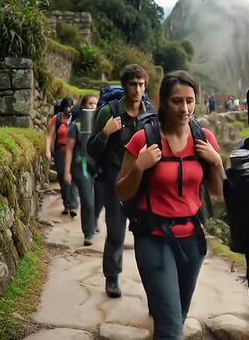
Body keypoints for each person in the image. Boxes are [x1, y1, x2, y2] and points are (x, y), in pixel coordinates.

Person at [116, 70, 225, 340]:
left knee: (178, 315)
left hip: (192, 240)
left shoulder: (204, 138)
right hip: (153, 237)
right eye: (177, 101)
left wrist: (217, 161)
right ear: (163, 101)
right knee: (169, 326)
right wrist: (139, 168)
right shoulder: (144, 139)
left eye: (190, 101)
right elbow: (121, 190)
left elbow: (218, 191)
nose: (185, 108)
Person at [87, 64, 154, 298]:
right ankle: (112, 277)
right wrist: (105, 133)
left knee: (148, 236)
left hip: (142, 182)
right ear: (125, 86)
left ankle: (153, 284)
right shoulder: (109, 112)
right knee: (116, 232)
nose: (137, 89)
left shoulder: (150, 113)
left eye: (141, 84)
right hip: (113, 182)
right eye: (133, 84)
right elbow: (92, 149)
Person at [64, 95, 100, 246]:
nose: (93, 106)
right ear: (83, 105)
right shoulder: (76, 126)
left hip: (97, 167)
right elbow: (69, 150)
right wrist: (67, 172)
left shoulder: (100, 124)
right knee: (87, 200)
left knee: (98, 200)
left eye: (95, 104)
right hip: (81, 167)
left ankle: (93, 222)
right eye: (90, 103)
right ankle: (88, 233)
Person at [45, 97, 79, 217]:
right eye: (66, 107)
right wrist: (48, 151)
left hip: (74, 152)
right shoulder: (57, 119)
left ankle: (73, 206)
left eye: (70, 107)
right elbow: (50, 135)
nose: (68, 109)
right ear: (63, 107)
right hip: (60, 151)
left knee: (73, 177)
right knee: (63, 178)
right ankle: (66, 204)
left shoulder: (76, 118)